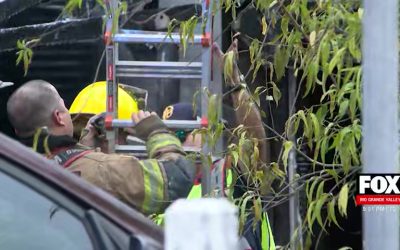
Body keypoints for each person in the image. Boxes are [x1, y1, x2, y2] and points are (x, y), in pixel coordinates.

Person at [6, 79, 196, 216]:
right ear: (58, 117)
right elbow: (177, 177)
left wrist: (83, 150)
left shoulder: (11, 173)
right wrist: (156, 132)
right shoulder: (103, 171)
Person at [161, 39, 275, 250]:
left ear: (203, 134)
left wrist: (234, 82)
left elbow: (254, 141)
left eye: (181, 133)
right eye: (168, 138)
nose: (177, 144)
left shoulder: (228, 177)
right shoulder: (159, 189)